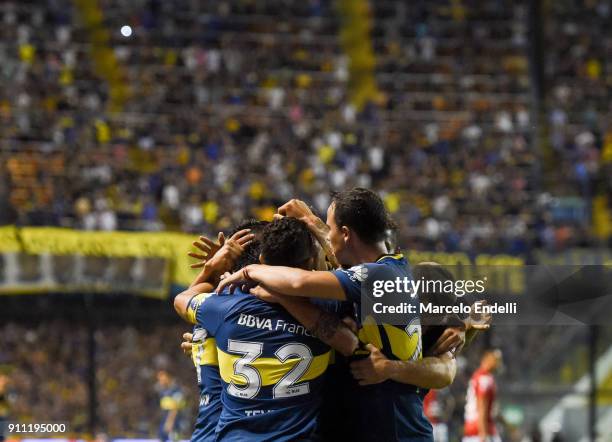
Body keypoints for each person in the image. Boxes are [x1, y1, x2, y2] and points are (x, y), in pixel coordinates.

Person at [218, 189, 449, 441]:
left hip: (394, 430)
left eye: (330, 227)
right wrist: (313, 223)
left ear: (347, 234)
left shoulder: (380, 276)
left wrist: (250, 271)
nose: (327, 235)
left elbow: (298, 283)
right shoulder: (389, 270)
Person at [175, 217, 358, 440]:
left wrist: (212, 270)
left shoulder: (220, 307)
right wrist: (316, 227)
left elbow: (182, 301)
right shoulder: (327, 308)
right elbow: (352, 280)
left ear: (262, 260)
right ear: (310, 263)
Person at [463, 349, 503, 442]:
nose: (498, 363)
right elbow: (481, 407)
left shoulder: (477, 375)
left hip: (471, 429)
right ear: (487, 358)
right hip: (481, 431)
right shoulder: (484, 378)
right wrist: (483, 433)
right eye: (495, 359)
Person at [156, 369, 186, 442]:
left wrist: (170, 422)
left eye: (162, 379)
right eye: (159, 379)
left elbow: (175, 409)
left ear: (168, 377)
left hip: (174, 421)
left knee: (174, 438)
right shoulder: (162, 391)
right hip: (165, 420)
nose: (160, 381)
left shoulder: (176, 390)